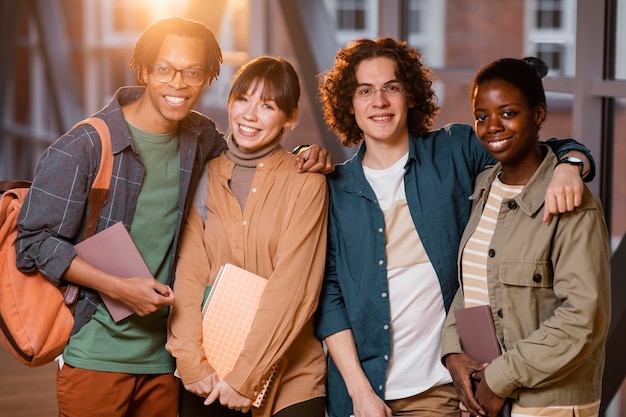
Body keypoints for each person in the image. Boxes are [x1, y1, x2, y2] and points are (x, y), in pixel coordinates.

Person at [14, 17, 331, 417]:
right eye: (165, 68)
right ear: (145, 70)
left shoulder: (199, 138)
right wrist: (117, 286)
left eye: (192, 72)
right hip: (97, 351)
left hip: (167, 360)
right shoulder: (84, 145)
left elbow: (254, 151)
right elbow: (33, 243)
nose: (178, 83)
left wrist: (306, 152)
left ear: (207, 79)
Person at [313, 37, 596, 417]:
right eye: (365, 90)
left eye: (391, 87)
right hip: (361, 397)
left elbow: (528, 148)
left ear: (410, 94)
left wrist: (571, 162)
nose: (379, 101)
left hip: (441, 389)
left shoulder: (456, 149)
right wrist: (360, 394)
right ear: (350, 102)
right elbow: (330, 299)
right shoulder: (335, 188)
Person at [441, 57, 610, 417]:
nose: (492, 127)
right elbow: (472, 282)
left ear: (537, 114)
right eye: (482, 116)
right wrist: (453, 351)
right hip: (482, 398)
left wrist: (500, 378)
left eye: (508, 112)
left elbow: (583, 318)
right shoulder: (484, 187)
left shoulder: (571, 203)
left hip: (548, 404)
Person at [166, 56, 328, 417]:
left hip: (292, 379)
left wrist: (245, 376)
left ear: (290, 117)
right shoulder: (203, 175)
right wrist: (191, 361)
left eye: (267, 105)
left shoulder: (307, 183)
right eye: (243, 99)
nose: (250, 115)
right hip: (209, 372)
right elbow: (189, 276)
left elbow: (293, 289)